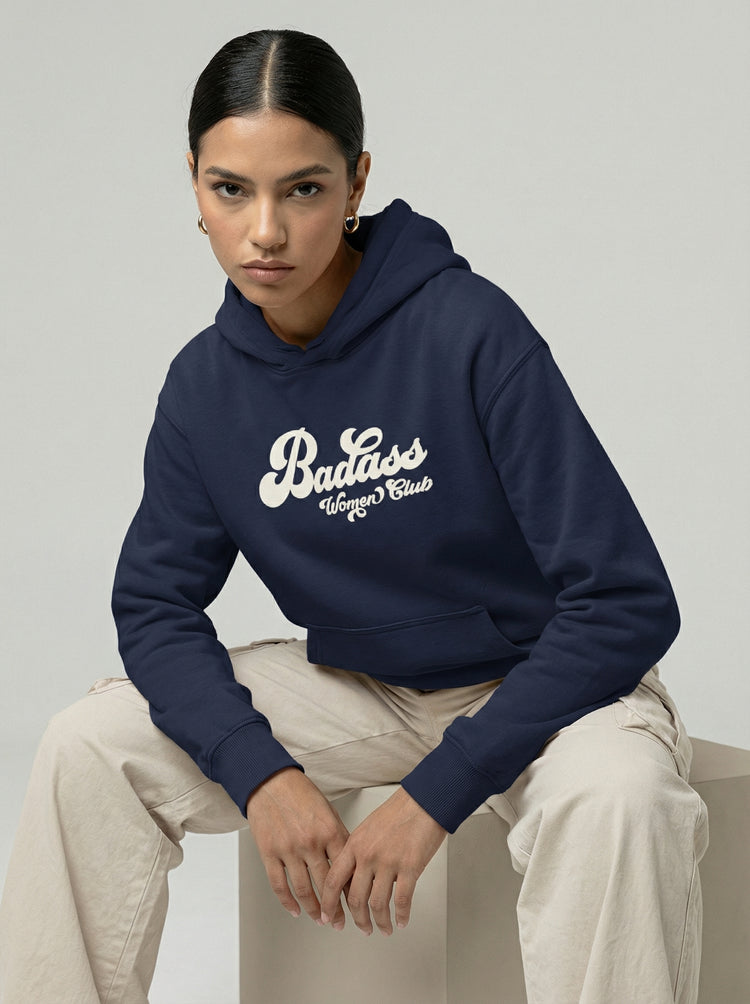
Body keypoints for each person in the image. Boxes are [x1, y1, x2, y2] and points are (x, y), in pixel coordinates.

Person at [0, 28, 708, 1004]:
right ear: (194, 185)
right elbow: (155, 607)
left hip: (546, 689)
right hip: (363, 690)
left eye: (303, 189)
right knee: (90, 744)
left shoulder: (468, 329)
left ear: (356, 182)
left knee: (625, 799)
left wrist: (435, 795)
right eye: (230, 189)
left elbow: (626, 601)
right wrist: (263, 774)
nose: (265, 232)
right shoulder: (205, 388)